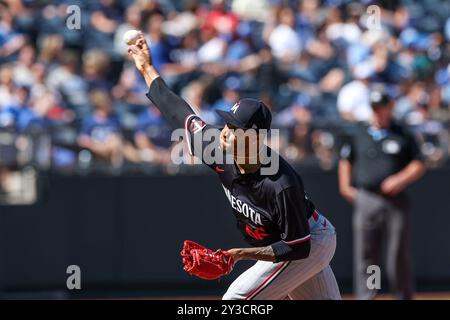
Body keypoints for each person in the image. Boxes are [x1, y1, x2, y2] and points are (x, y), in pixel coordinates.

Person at [127, 34, 341, 300]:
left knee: (237, 299)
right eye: (227, 124)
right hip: (293, 242)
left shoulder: (280, 182)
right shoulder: (215, 147)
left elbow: (296, 247)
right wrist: (147, 67)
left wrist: (240, 255)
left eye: (235, 128)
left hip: (308, 241)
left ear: (254, 137)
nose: (225, 132)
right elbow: (176, 110)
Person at [338, 90, 426, 300]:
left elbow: (419, 162)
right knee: (368, 254)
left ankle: (402, 295)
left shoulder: (401, 133)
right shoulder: (359, 132)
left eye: (382, 108)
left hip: (395, 201)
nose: (378, 113)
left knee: (398, 254)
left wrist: (400, 179)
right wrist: (345, 187)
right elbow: (346, 160)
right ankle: (369, 295)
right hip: (367, 197)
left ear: (390, 108)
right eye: (375, 108)